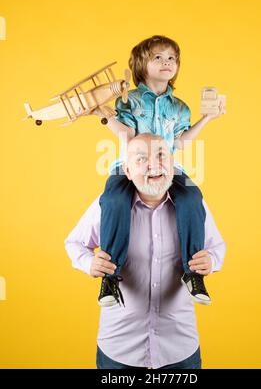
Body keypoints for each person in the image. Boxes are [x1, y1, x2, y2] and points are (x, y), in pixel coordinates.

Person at [65, 134, 226, 369]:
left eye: (161, 155)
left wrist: (211, 260)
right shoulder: (108, 206)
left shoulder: (194, 206)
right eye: (141, 159)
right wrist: (89, 263)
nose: (153, 165)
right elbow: (74, 243)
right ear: (127, 171)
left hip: (178, 345)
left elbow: (217, 247)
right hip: (120, 346)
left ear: (173, 162)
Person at [92, 35, 225, 307]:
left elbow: (180, 142)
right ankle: (111, 276)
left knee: (191, 198)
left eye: (172, 58)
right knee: (114, 201)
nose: (167, 62)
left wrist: (207, 119)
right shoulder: (129, 100)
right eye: (158, 57)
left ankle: (193, 274)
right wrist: (103, 116)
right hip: (132, 166)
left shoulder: (180, 107)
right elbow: (128, 136)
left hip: (167, 167)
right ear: (142, 64)